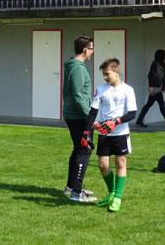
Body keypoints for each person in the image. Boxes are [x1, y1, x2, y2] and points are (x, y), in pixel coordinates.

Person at [85, 58, 137, 212]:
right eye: (103, 75)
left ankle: (117, 198)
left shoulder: (128, 89)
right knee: (103, 165)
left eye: (107, 74)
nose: (105, 77)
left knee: (120, 163)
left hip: (121, 132)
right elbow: (93, 111)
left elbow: (132, 113)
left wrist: (116, 122)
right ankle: (111, 193)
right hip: (104, 133)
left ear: (116, 72)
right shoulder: (101, 89)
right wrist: (89, 130)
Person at [62, 34, 97, 203]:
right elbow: (77, 96)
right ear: (85, 50)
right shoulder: (77, 68)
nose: (92, 51)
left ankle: (71, 186)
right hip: (78, 116)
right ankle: (76, 192)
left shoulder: (75, 67)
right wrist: (89, 116)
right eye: (91, 48)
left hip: (75, 115)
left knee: (78, 149)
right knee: (84, 150)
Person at [136, 49, 165, 128]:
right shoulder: (155, 64)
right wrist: (150, 86)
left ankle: (139, 119)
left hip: (158, 88)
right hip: (155, 88)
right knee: (161, 106)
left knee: (150, 104)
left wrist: (163, 86)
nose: (164, 56)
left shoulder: (163, 64)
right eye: (163, 55)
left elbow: (163, 76)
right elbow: (150, 76)